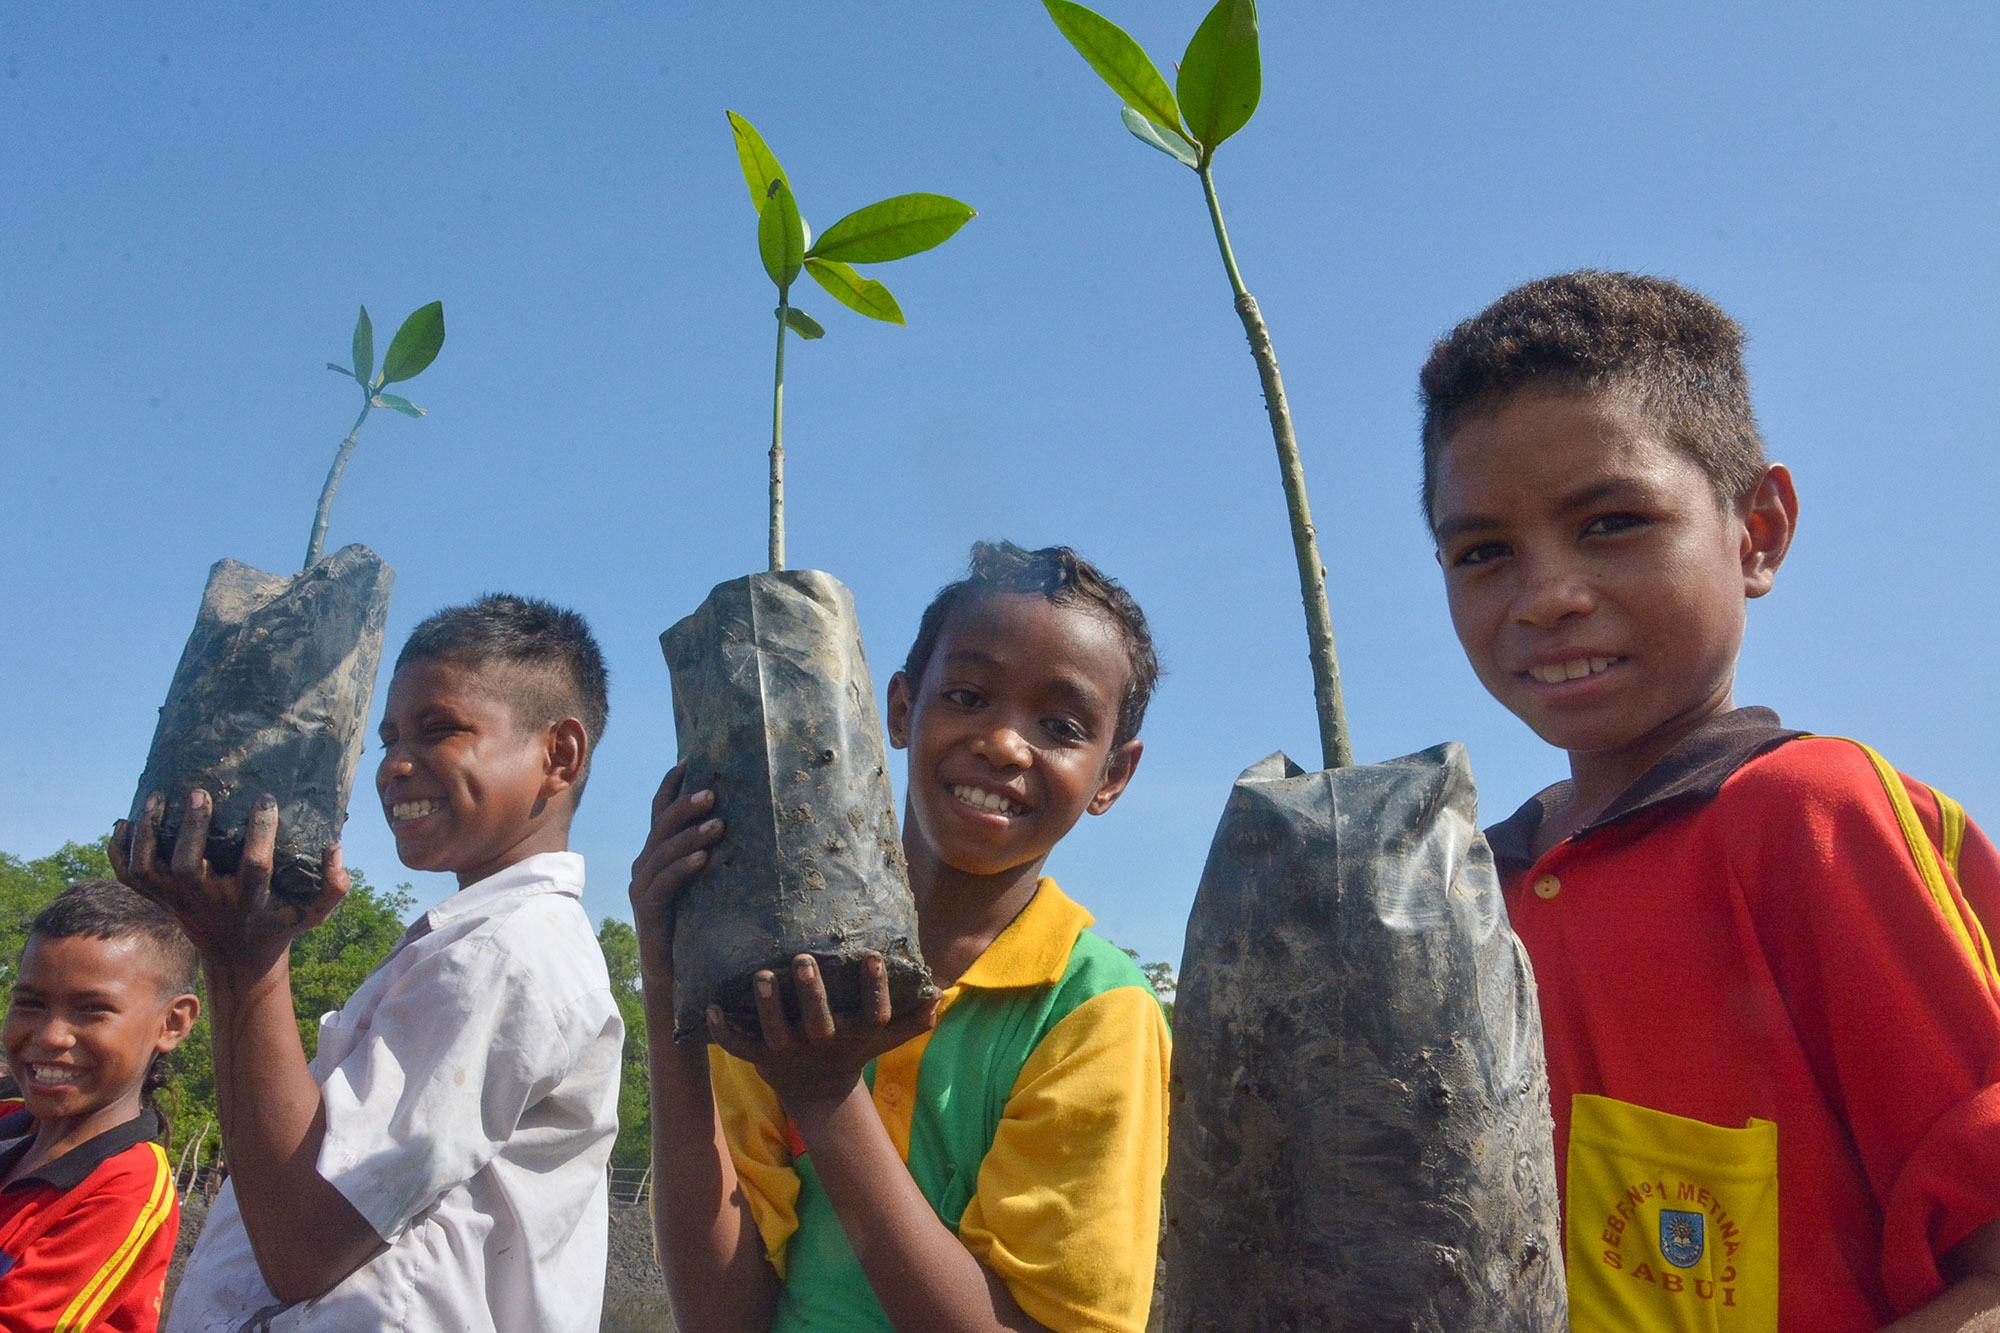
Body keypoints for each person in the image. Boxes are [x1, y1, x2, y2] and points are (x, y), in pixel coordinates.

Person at [1420, 269, 2000, 1330]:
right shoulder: (1462, 892)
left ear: (1757, 530)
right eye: (1482, 551)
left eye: (1610, 521)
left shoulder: (1812, 818)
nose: (1546, 594)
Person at [632, 541, 1171, 1331]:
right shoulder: (787, 965)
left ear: (1112, 776)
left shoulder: (1094, 1014)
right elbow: (721, 1317)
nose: (1004, 743)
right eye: (967, 695)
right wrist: (672, 965)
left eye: (1059, 724)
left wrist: (825, 1096)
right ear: (896, 708)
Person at [112, 593, 623, 1331]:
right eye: (386, 739)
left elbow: (303, 1245)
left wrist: (244, 961)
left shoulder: (510, 951)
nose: (395, 767)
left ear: (559, 754)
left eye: (440, 729)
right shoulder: (464, 942)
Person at [0, 878, 200, 1331]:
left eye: (92, 1009)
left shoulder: (127, 1187)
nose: (51, 1036)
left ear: (172, 1022)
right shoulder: (9, 1122)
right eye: (30, 1003)